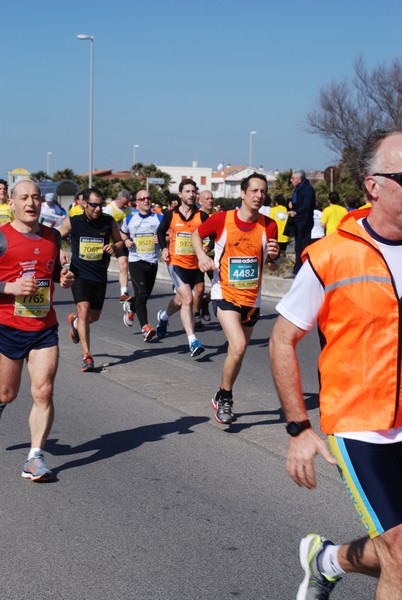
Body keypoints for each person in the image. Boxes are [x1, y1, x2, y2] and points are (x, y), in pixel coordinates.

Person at [269, 128, 402, 599]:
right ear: (374, 185)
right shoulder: (331, 255)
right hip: (362, 424)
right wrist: (297, 428)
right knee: (400, 556)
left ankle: (326, 560)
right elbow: (282, 340)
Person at [0, 179, 74, 481]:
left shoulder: (53, 237)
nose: (31, 203)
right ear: (13, 204)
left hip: (44, 327)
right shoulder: (1, 237)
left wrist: (64, 278)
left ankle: (34, 458)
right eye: (24, 198)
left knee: (43, 390)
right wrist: (9, 287)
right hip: (7, 327)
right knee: (7, 392)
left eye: (36, 197)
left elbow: (53, 273)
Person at [193, 173, 279, 425]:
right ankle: (227, 397)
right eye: (254, 190)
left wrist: (274, 257)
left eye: (263, 191)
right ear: (242, 193)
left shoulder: (270, 225)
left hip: (253, 299)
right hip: (225, 293)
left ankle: (221, 394)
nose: (259, 195)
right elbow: (197, 235)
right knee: (239, 345)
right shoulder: (222, 220)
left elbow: (272, 266)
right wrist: (200, 256)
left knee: (237, 352)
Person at [59, 188, 123, 372]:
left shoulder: (108, 221)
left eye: (100, 205)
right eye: (93, 205)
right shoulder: (74, 221)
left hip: (99, 275)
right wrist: (60, 251)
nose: (97, 209)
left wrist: (114, 247)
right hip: (79, 274)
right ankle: (87, 356)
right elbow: (54, 236)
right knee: (85, 311)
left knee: (92, 317)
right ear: (84, 204)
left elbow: (120, 242)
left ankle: (75, 322)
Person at [156, 178, 209, 357]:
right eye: (187, 191)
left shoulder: (202, 216)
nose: (191, 195)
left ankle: (163, 317)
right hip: (176, 263)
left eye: (194, 192)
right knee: (187, 298)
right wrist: (163, 248)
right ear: (180, 194)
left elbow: (214, 235)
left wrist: (207, 248)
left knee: (179, 301)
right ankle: (193, 341)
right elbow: (160, 231)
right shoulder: (171, 214)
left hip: (195, 265)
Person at [120, 190, 163, 341]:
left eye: (148, 198)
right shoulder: (130, 218)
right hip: (136, 261)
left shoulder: (158, 218)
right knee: (143, 293)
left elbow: (169, 234)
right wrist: (126, 241)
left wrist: (163, 239)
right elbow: (122, 233)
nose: (146, 200)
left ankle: (131, 307)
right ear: (136, 202)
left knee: (143, 296)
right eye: (142, 198)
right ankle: (145, 327)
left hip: (152, 262)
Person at [103, 189, 132, 302]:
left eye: (127, 203)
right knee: (103, 267)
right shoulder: (109, 209)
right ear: (118, 199)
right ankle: (99, 289)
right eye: (123, 203)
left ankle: (123, 292)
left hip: (121, 241)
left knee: (124, 264)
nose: (125, 205)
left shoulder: (128, 209)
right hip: (108, 242)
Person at [285, 169, 315, 278]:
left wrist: (296, 211)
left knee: (304, 247)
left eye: (293, 178)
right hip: (297, 222)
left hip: (304, 222)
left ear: (299, 179)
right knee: (298, 247)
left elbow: (306, 205)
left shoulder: (307, 189)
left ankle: (305, 271)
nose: (291, 180)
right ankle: (297, 270)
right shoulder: (298, 189)